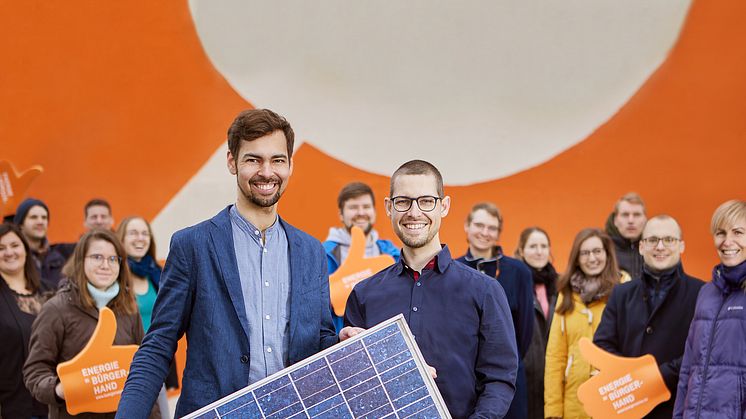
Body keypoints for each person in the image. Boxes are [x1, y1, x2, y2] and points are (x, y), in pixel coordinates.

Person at [117, 109, 338, 418]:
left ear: (289, 165)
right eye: (253, 160)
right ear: (232, 162)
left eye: (277, 160)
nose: (266, 172)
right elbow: (158, 346)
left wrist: (343, 344)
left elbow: (320, 340)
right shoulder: (193, 245)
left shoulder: (311, 252)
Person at [342, 160, 518, 418]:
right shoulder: (364, 294)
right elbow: (353, 386)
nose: (414, 212)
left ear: (443, 206)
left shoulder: (485, 291)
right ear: (389, 208)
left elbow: (500, 378)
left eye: (426, 201)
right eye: (403, 201)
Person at [23, 229, 158, 419]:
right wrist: (59, 389)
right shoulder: (56, 309)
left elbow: (143, 368)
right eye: (97, 257)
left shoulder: (128, 307)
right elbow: (34, 372)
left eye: (113, 259)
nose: (105, 265)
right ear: (81, 261)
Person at [594, 215, 703, 418]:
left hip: (679, 407)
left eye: (668, 240)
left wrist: (655, 378)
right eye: (652, 240)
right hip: (629, 409)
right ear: (642, 247)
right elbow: (602, 343)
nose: (660, 247)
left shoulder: (702, 293)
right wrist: (631, 381)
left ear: (681, 246)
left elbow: (701, 350)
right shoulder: (621, 294)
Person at [456, 202, 533, 419]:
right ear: (467, 226)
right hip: (465, 380)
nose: (484, 232)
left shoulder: (519, 272)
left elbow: (525, 333)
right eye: (479, 225)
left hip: (508, 379)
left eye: (491, 228)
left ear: (498, 233)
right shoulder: (452, 270)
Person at [674, 200, 746, 418]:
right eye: (720, 233)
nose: (727, 241)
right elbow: (688, 368)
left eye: (738, 232)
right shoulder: (707, 293)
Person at [545, 228, 626, 419]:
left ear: (607, 254)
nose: (592, 258)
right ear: (577, 258)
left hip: (613, 397)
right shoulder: (566, 293)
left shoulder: (624, 288)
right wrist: (553, 411)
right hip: (574, 402)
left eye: (597, 251)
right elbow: (555, 356)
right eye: (585, 253)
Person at [116, 216, 179, 413]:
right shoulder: (113, 277)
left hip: (153, 361)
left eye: (145, 233)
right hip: (123, 365)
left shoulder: (157, 273)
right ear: (122, 239)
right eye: (133, 233)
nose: (140, 238)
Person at [323, 181, 400, 331]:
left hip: (385, 338)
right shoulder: (322, 254)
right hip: (343, 340)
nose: (361, 212)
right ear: (341, 214)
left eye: (366, 207)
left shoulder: (392, 254)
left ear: (374, 212)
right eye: (353, 207)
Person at [0, 223, 49, 418]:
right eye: (1, 248)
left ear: (25, 250)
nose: (9, 252)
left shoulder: (50, 290)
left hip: (54, 402)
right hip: (14, 406)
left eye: (14, 245)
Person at [514, 226, 558, 419]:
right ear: (522, 251)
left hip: (555, 376)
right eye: (533, 246)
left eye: (544, 246)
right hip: (526, 376)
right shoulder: (514, 283)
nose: (539, 251)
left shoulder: (561, 285)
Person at [14, 198, 75, 289]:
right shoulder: (13, 256)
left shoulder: (60, 254)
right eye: (33, 217)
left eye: (44, 217)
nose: (40, 222)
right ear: (20, 224)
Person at [605, 192, 647, 279]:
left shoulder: (657, 249)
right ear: (615, 220)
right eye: (625, 215)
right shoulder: (603, 249)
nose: (631, 220)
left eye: (636, 215)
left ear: (645, 219)